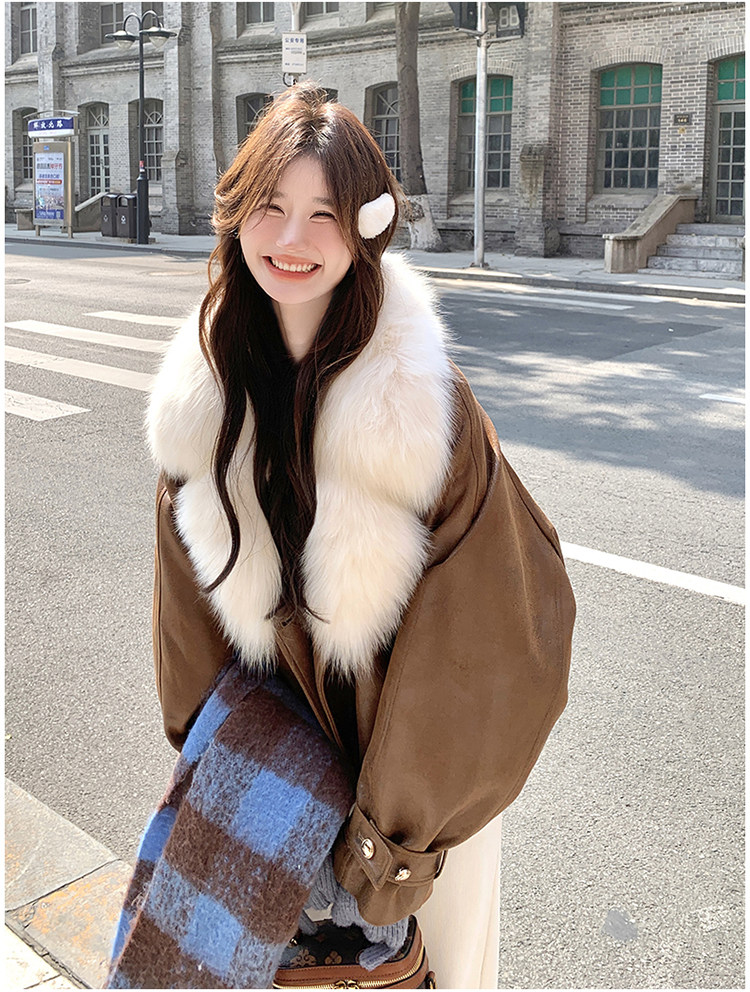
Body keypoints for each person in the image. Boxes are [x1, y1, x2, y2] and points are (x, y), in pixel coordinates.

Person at [146, 82, 575, 989]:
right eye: (271, 206)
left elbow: (492, 640)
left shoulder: (424, 412)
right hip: (269, 803)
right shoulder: (203, 402)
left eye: (323, 214)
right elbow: (187, 635)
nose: (292, 239)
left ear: (364, 227)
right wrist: (232, 790)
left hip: (417, 803)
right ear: (237, 213)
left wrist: (383, 852)